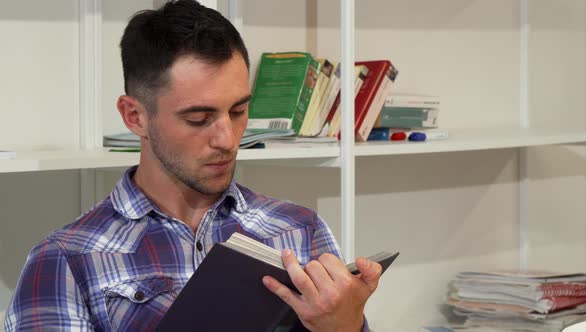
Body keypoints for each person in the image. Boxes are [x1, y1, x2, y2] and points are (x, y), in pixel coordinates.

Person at [4, 1, 383, 331]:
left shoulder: (300, 229)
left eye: (238, 111)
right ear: (134, 116)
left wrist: (346, 327)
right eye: (199, 118)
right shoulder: (65, 259)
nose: (227, 139)